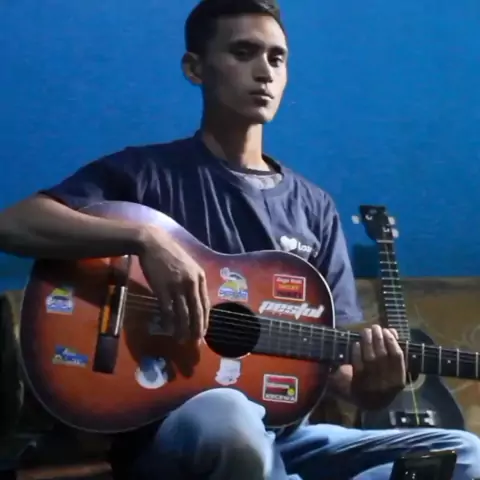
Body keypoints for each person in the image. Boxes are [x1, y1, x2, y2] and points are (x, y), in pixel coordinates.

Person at [0, 1, 479, 479]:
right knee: (230, 415)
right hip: (179, 434)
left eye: (277, 58)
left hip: (292, 439)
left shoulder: (314, 208)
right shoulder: (145, 174)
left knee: (464, 453)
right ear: (195, 68)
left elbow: (339, 373)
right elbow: (14, 224)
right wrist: (146, 238)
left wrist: (373, 389)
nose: (264, 72)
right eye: (243, 52)